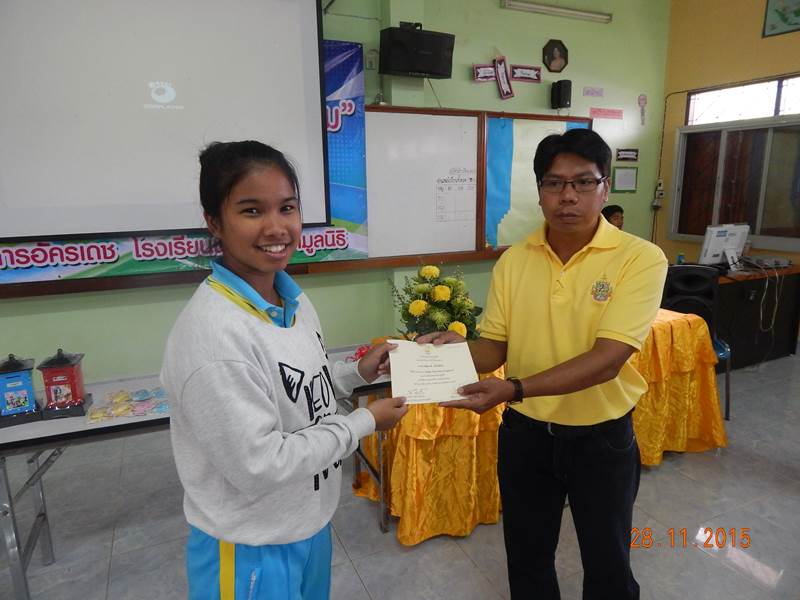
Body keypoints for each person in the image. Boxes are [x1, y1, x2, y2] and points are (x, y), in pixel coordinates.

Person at [418, 129, 667, 599]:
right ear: (539, 191)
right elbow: (493, 350)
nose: (567, 196)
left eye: (583, 182)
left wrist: (514, 389)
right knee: (527, 559)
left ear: (605, 188)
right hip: (525, 436)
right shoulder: (515, 260)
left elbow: (607, 361)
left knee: (608, 563)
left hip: (601, 438)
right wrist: (447, 350)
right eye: (554, 183)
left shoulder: (640, 258)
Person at [161, 141, 408, 600]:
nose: (276, 228)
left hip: (306, 524)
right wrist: (364, 422)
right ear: (214, 221)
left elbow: (296, 389)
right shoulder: (213, 338)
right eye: (252, 210)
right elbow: (260, 464)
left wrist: (356, 374)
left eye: (287, 207)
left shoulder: (290, 298)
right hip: (250, 545)